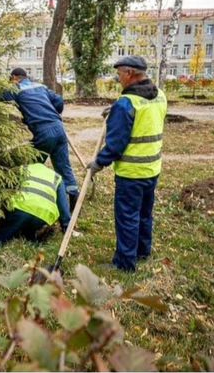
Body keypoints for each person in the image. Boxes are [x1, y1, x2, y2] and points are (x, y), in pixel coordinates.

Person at [87, 56, 167, 272]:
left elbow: (115, 144)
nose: (118, 78)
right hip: (152, 169)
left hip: (131, 173)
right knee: (144, 214)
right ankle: (142, 251)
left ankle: (124, 264)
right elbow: (144, 122)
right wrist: (115, 114)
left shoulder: (126, 103)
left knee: (127, 217)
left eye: (120, 73)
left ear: (130, 73)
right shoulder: (160, 95)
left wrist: (98, 163)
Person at [2, 67, 80, 208]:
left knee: (31, 166)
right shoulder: (40, 87)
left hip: (43, 132)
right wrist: (51, 111)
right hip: (59, 128)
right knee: (64, 167)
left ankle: (28, 198)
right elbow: (59, 101)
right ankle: (73, 194)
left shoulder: (16, 89)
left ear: (14, 77)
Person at [0, 163, 71, 246]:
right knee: (29, 229)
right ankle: (33, 240)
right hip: (43, 215)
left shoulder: (23, 168)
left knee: (4, 235)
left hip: (21, 208)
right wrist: (66, 226)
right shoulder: (56, 177)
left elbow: (8, 188)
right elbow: (63, 205)